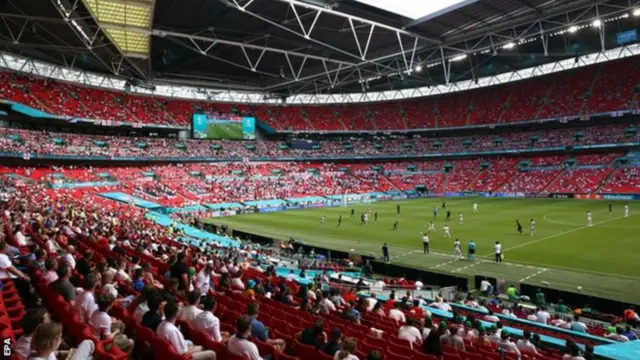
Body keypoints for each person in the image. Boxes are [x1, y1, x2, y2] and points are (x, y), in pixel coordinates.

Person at [28, 321, 95, 360]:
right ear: (54, 341)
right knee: (88, 343)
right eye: (60, 337)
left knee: (90, 357)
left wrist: (69, 352)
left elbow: (54, 353)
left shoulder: (44, 351)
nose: (60, 340)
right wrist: (69, 357)